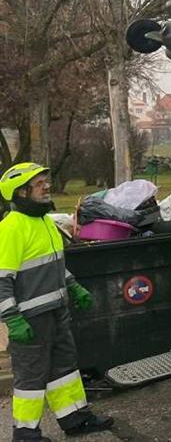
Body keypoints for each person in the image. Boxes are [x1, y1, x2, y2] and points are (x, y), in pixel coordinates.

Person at [0, 162, 115, 440]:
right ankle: (25, 434)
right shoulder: (11, 228)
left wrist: (73, 287)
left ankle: (75, 418)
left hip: (56, 310)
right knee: (31, 378)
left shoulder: (44, 222)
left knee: (64, 369)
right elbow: (2, 279)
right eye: (39, 184)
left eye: (46, 182)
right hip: (30, 318)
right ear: (21, 192)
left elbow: (53, 264)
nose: (47, 187)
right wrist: (12, 319)